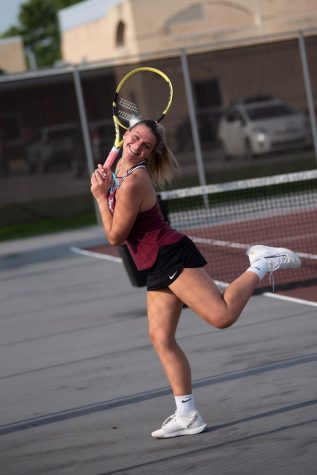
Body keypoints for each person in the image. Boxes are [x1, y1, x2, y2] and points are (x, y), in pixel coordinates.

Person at [90, 119, 301, 439]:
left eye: (145, 145)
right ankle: (187, 415)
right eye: (133, 139)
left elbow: (116, 235)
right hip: (155, 263)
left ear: (151, 152)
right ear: (125, 137)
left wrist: (98, 195)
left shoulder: (134, 181)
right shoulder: (118, 167)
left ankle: (261, 263)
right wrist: (105, 187)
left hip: (171, 255)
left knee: (222, 316)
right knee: (161, 339)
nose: (136, 147)